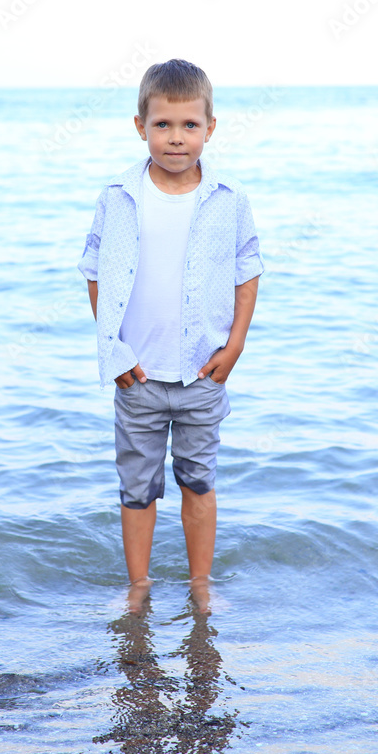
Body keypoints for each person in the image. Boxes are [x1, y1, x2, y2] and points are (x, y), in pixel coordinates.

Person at [78, 58, 263, 613]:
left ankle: (200, 584)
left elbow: (248, 272)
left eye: (189, 125)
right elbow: (94, 272)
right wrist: (113, 350)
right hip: (137, 374)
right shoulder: (118, 196)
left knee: (199, 480)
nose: (176, 138)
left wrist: (235, 345)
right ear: (140, 126)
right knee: (137, 487)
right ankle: (139, 587)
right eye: (163, 125)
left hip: (202, 369)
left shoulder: (228, 200)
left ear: (210, 127)